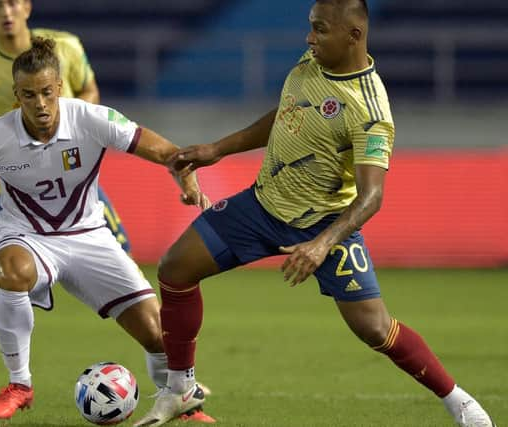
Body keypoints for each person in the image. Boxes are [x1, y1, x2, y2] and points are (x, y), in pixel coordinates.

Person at [134, 1, 497, 426]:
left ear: (354, 36)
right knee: (175, 268)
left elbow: (371, 196)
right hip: (262, 204)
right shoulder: (313, 61)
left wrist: (322, 245)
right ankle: (180, 390)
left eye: (320, 30)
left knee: (375, 329)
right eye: (311, 28)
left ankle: (460, 403)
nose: (309, 38)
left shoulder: (370, 112)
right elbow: (286, 113)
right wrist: (218, 149)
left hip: (325, 224)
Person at [0, 38, 216, 422]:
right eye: (28, 95)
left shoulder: (91, 119)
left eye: (47, 93)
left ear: (59, 88)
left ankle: (181, 401)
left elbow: (163, 150)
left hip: (89, 236)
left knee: (157, 332)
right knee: (8, 268)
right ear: (16, 95)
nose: (39, 104)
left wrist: (185, 182)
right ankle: (19, 385)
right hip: (27, 235)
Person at [0, 0, 130, 393]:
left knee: (128, 278)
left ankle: (176, 374)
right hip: (16, 193)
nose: (7, 11)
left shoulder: (66, 47)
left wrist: (79, 136)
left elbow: (89, 89)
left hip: (74, 187)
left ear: (27, 7)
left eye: (13, 2)